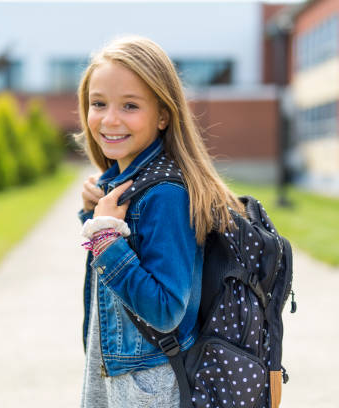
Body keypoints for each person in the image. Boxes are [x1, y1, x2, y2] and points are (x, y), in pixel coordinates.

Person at [75, 36, 247, 408]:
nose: (110, 119)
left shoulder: (165, 194)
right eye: (98, 103)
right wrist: (93, 215)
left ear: (164, 114)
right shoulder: (126, 183)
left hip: (146, 385)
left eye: (130, 106)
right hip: (117, 371)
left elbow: (166, 310)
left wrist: (104, 238)